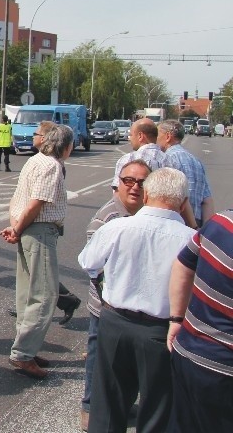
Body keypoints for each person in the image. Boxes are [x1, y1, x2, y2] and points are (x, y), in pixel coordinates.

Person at [78, 168, 194, 433]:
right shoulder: (190, 240)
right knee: (158, 408)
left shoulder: (116, 227)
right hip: (163, 330)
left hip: (115, 321)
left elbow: (88, 263)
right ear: (184, 202)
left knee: (108, 403)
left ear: (147, 194)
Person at [79, 159, 150, 432]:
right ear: (118, 184)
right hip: (108, 307)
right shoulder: (107, 218)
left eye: (141, 182)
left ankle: (116, 403)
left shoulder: (145, 213)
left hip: (131, 306)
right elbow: (95, 269)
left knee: (122, 362)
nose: (134, 187)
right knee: (97, 357)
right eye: (128, 181)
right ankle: (89, 409)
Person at [0, 123, 73, 379]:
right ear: (65, 145)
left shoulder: (34, 160)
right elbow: (36, 203)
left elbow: (17, 198)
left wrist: (15, 227)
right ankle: (23, 353)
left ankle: (27, 347)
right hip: (39, 231)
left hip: (27, 228)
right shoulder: (52, 166)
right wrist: (18, 229)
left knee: (27, 291)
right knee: (45, 294)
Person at [166, 211, 233, 433]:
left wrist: (176, 318)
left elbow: (183, 263)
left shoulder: (221, 222)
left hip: (188, 351)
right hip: (224, 371)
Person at [158, 120, 214, 227]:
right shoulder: (196, 161)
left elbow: (174, 196)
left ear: (168, 136)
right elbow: (207, 200)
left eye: (157, 135)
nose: (155, 139)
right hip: (197, 224)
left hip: (175, 222)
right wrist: (204, 231)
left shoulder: (167, 158)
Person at [111, 118, 166, 188]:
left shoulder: (128, 159)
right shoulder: (171, 160)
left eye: (130, 135)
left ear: (140, 136)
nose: (129, 138)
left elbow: (117, 191)